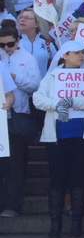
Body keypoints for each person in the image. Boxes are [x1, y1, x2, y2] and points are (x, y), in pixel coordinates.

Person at [32, 40, 84, 238]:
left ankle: (76, 225)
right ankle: (55, 225)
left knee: (78, 180)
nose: (81, 56)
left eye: (82, 52)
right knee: (57, 181)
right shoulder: (52, 77)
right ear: (65, 55)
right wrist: (59, 104)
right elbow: (38, 99)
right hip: (56, 137)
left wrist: (75, 102)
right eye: (76, 53)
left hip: (83, 136)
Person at [0, 27, 39, 218]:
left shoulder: (27, 59)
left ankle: (12, 205)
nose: (6, 48)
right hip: (1, 119)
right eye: (2, 45)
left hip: (19, 115)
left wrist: (16, 79)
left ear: (17, 41)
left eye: (10, 44)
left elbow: (35, 86)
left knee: (16, 163)